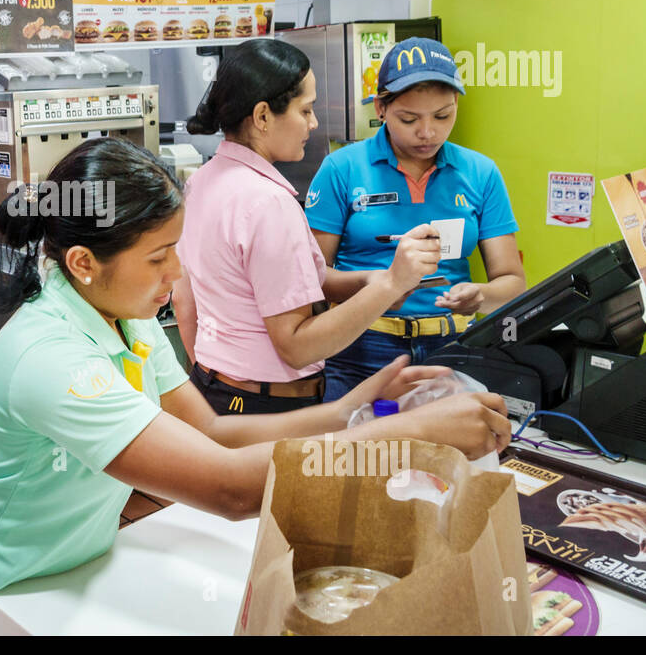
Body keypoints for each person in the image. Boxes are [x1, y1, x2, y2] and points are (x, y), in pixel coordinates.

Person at [0, 136, 511, 636]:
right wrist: (404, 435)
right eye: (159, 256)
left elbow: (214, 430)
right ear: (84, 262)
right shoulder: (50, 357)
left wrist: (355, 409)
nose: (177, 273)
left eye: (179, 250)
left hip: (59, 585)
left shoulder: (124, 319)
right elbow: (227, 489)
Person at [173, 39, 443, 414]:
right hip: (267, 405)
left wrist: (369, 283)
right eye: (306, 110)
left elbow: (186, 301)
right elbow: (298, 347)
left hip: (216, 389)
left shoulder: (202, 182)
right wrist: (393, 284)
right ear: (263, 116)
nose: (313, 124)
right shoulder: (268, 204)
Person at [304, 38, 526, 403]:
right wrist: (381, 285)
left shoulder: (481, 173)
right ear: (381, 108)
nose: (428, 132)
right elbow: (313, 277)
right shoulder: (342, 168)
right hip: (361, 347)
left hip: (453, 349)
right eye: (409, 119)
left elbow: (512, 283)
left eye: (443, 116)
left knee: (445, 457)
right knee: (355, 456)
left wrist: (479, 295)